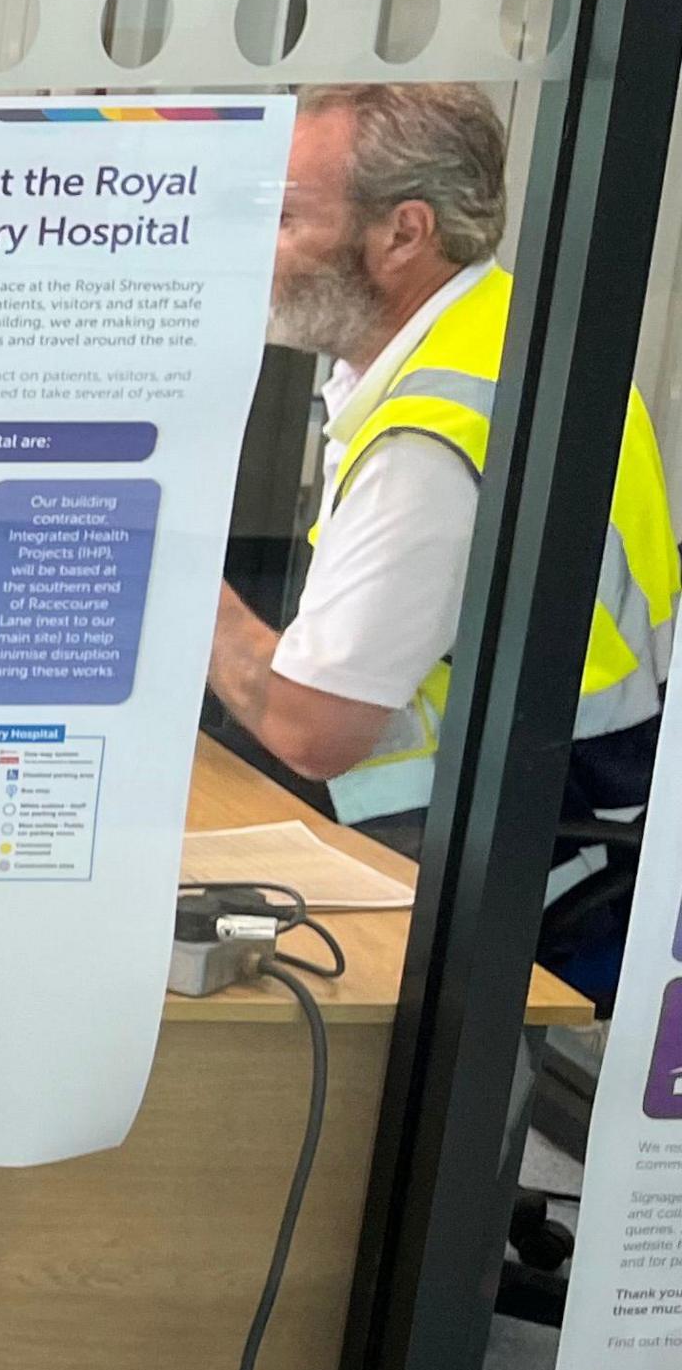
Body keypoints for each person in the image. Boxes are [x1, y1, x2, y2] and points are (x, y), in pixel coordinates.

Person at [208, 83, 677, 1003]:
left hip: (508, 873)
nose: (253, 252)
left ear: (403, 233)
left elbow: (314, 727)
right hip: (556, 822)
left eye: (286, 219)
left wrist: (166, 577)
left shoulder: (433, 437)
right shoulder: (503, 333)